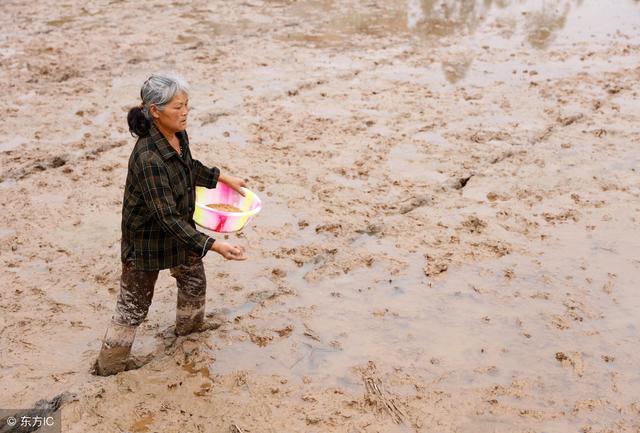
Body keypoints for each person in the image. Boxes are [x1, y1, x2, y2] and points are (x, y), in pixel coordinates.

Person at [94, 72, 247, 376]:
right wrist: (214, 245)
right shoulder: (148, 158)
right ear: (154, 111)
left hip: (180, 232)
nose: (185, 112)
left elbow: (188, 167)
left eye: (187, 105)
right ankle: (109, 366)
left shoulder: (178, 135)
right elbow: (166, 217)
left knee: (193, 281)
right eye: (177, 107)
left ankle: (189, 331)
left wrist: (222, 177)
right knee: (133, 306)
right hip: (147, 241)